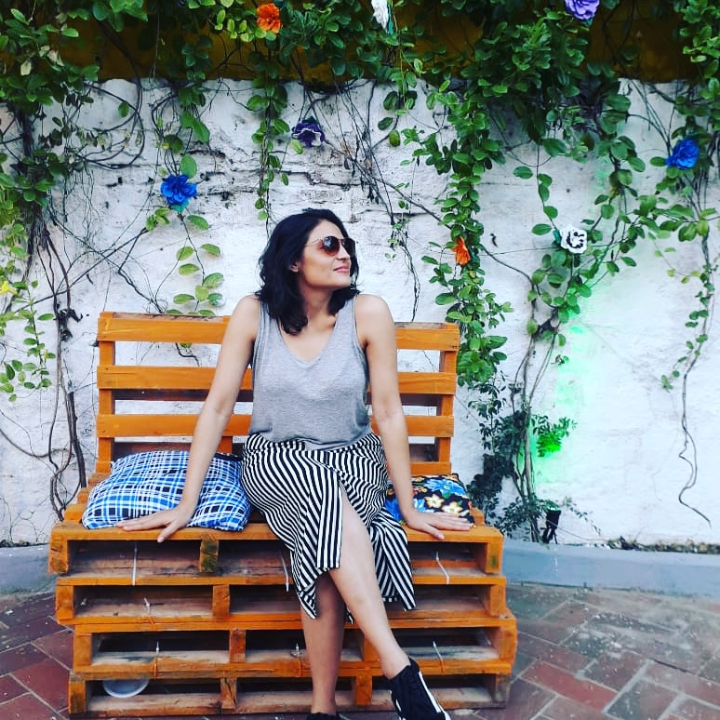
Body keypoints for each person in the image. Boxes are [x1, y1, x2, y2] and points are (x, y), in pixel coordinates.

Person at [118, 208, 472, 720]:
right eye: (329, 245)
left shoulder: (368, 313)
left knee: (321, 533)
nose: (343, 253)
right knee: (322, 503)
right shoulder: (254, 314)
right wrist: (187, 502)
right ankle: (399, 669)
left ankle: (323, 710)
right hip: (275, 463)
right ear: (292, 260)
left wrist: (409, 506)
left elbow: (389, 412)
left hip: (353, 462)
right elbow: (218, 408)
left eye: (346, 245)